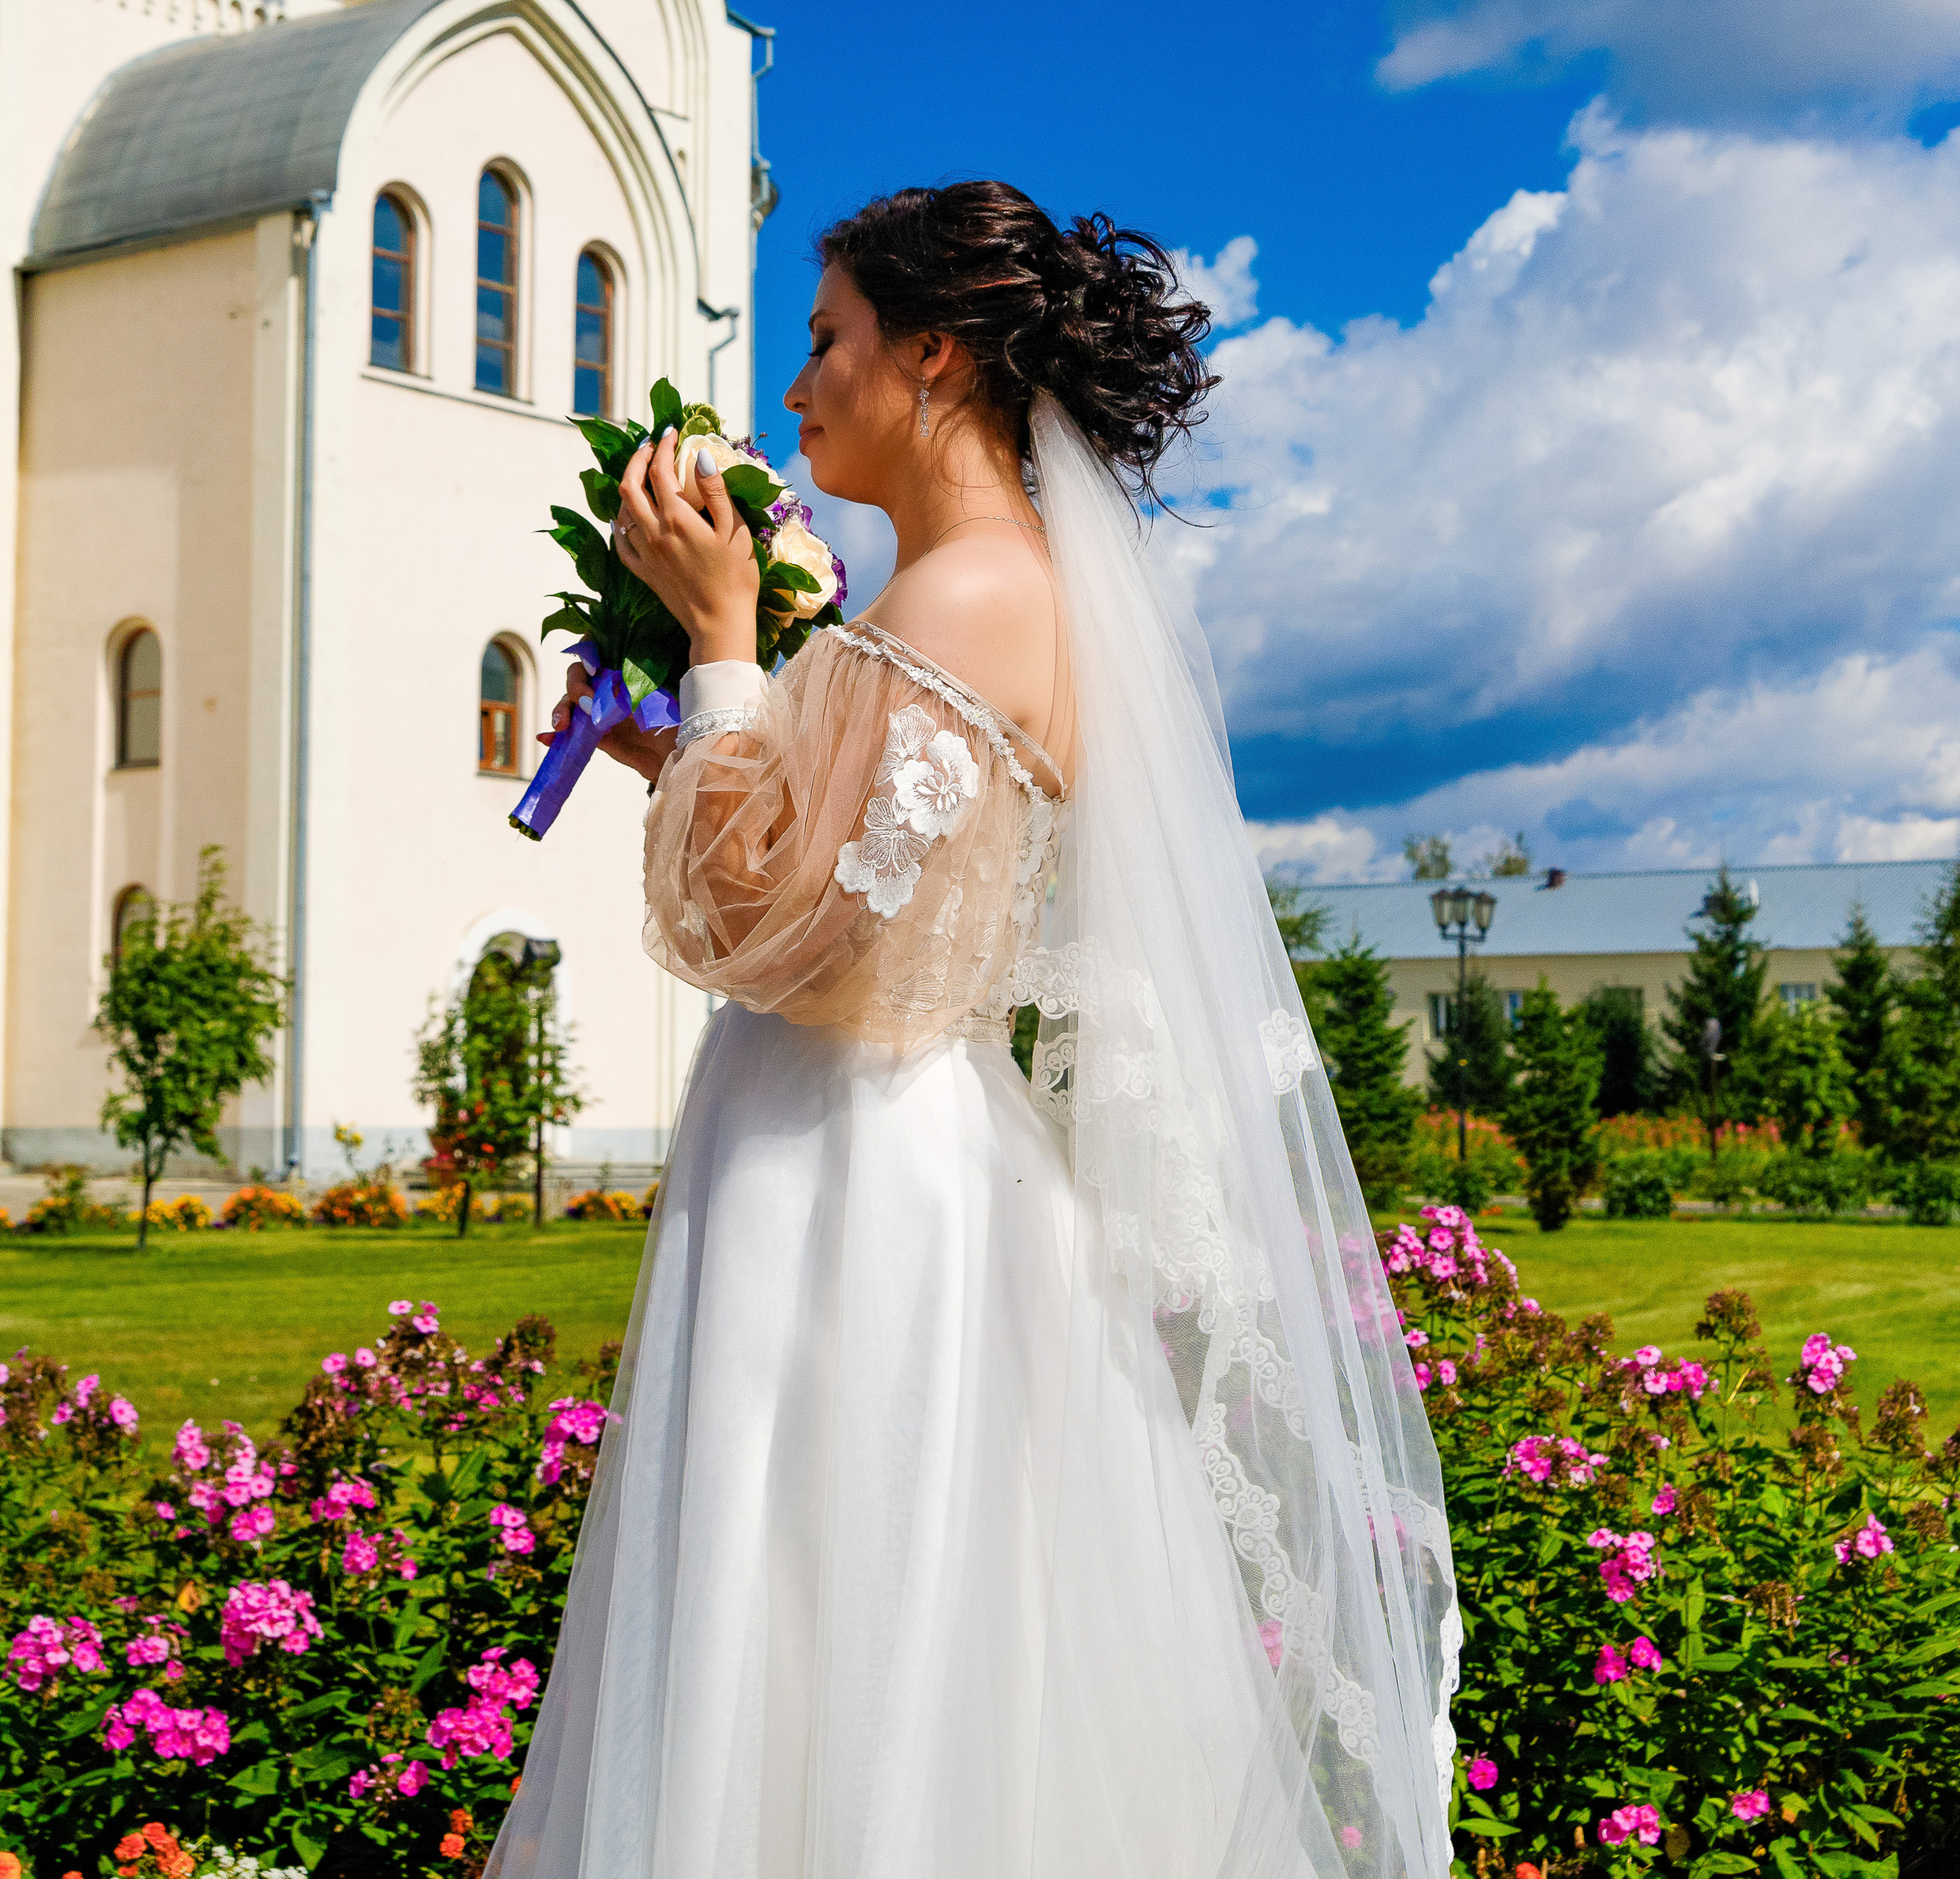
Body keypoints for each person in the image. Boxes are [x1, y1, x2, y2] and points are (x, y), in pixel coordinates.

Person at [490, 182, 1455, 1879]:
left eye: (827, 340)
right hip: (877, 1145)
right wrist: (688, 740)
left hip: (854, 1167)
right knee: (835, 1627)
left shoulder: (968, 597)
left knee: (830, 1618)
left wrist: (722, 644)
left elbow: (793, 947)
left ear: (931, 354)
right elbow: (829, 880)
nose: (796, 388)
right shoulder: (974, 591)